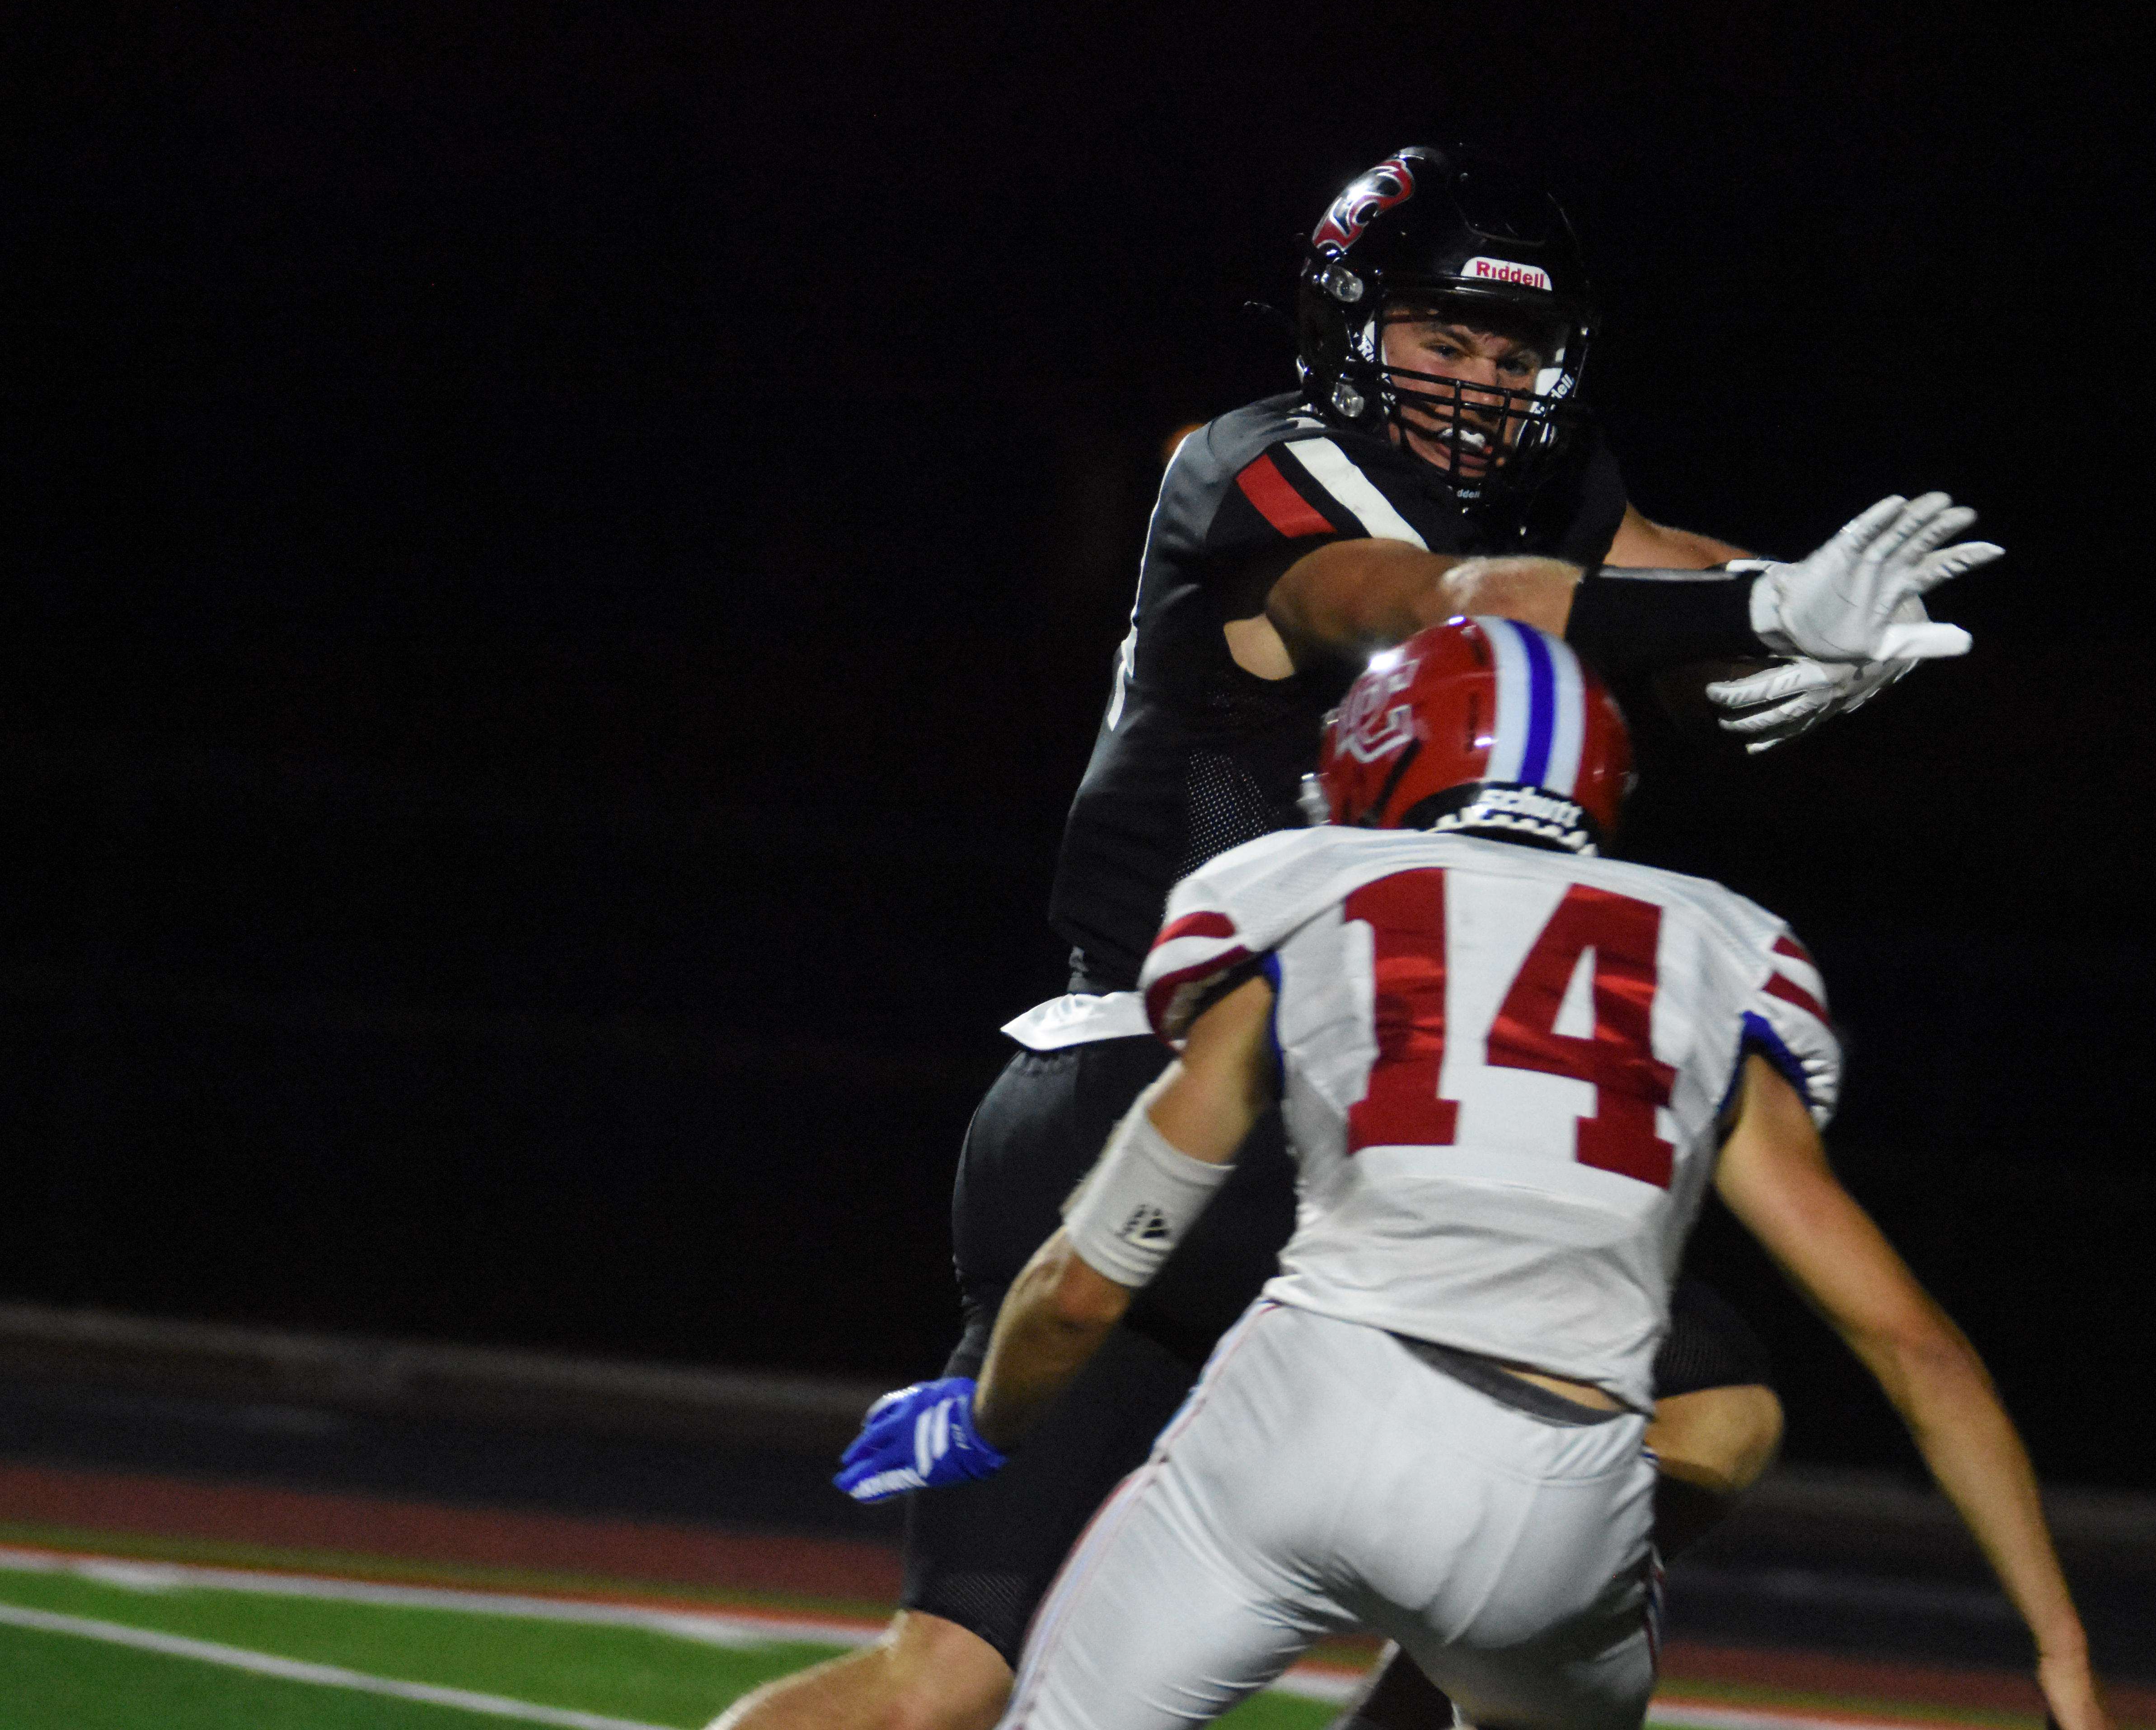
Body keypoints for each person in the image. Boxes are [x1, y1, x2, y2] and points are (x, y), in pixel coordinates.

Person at [708, 145, 1999, 1730]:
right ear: (1345, 323)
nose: (1479, 383)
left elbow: (1656, 566)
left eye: (1513, 353)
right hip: (1200, 1091)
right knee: (1710, 1406)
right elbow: (1449, 598)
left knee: (945, 1684)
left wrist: (1817, 604)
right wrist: (1761, 618)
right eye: (1444, 337)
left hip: (1135, 1115)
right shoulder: (1264, 464)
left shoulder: (1549, 495)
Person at [844, 621, 2108, 1730]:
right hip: (1558, 1501)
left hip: (1303, 1423)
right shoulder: (1721, 951)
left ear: (1379, 756)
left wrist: (984, 1419)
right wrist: (2062, 1650)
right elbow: (1915, 1349)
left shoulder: (1301, 892)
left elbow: (1084, 1284)